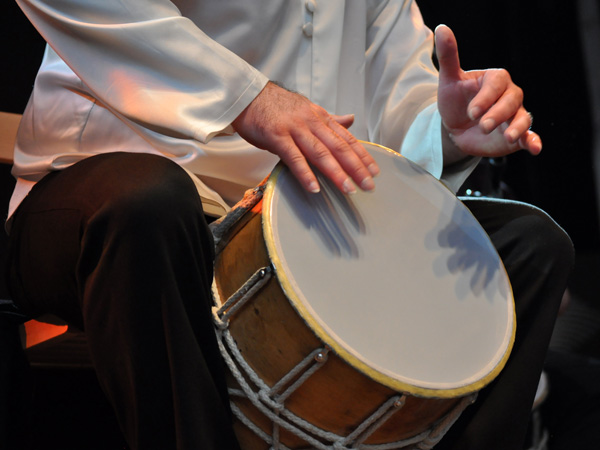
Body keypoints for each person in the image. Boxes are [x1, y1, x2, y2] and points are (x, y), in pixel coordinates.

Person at [6, 1, 573, 449]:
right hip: (102, 193)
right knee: (151, 202)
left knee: (529, 247)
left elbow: (397, 92)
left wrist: (447, 127)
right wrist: (249, 100)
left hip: (292, 219)